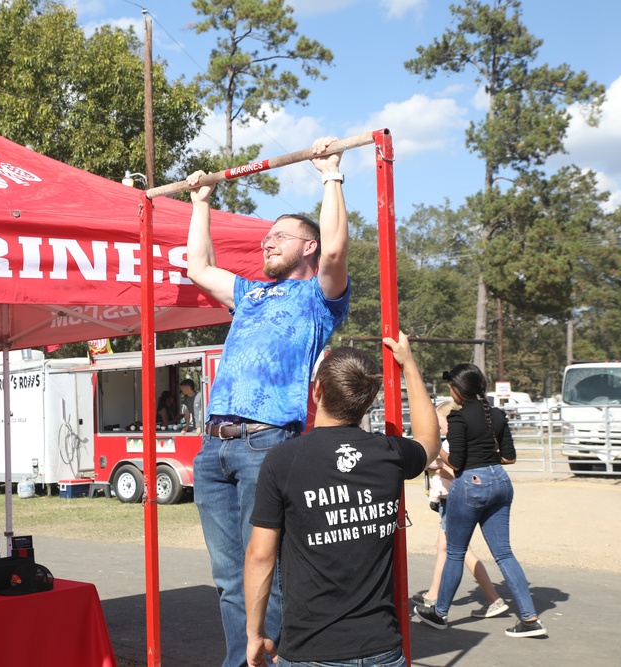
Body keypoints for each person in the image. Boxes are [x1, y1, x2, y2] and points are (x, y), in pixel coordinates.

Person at [185, 136, 350, 666]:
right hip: (214, 448)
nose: (267, 242)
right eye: (265, 237)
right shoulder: (251, 294)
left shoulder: (319, 298)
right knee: (229, 576)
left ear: (307, 246)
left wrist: (330, 176)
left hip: (266, 442)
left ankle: (274, 659)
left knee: (267, 568)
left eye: (280, 236)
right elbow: (197, 267)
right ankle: (244, 660)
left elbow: (337, 249)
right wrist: (201, 203)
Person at [245, 334, 439, 667]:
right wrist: (407, 363)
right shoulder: (388, 454)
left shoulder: (283, 460)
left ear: (316, 389)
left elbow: (261, 555)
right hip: (382, 650)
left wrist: (254, 633)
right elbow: (430, 441)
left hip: (310, 651)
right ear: (369, 402)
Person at [414, 364, 547, 638]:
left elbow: (457, 462)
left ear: (458, 390)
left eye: (451, 388)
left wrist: (435, 445)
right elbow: (509, 457)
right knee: (504, 553)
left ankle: (439, 613)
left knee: (454, 552)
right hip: (500, 481)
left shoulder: (459, 418)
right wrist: (485, 460)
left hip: (471, 485)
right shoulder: (496, 414)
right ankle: (529, 618)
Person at [411, 400, 508, 618]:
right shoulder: (452, 442)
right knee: (443, 547)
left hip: (453, 501)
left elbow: (456, 472)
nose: (437, 426)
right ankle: (434, 594)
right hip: (448, 501)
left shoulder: (453, 443)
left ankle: (493, 598)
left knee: (460, 551)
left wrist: (437, 469)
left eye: (439, 421)